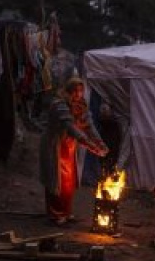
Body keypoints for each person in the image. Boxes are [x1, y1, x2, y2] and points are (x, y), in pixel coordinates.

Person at [39, 74, 109, 226]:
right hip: (55, 145)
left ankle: (66, 211)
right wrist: (90, 145)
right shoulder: (60, 105)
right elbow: (70, 127)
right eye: (75, 91)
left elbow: (89, 126)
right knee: (56, 181)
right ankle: (56, 214)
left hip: (69, 147)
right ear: (69, 91)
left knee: (69, 182)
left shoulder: (81, 106)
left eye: (80, 91)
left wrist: (100, 143)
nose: (78, 94)